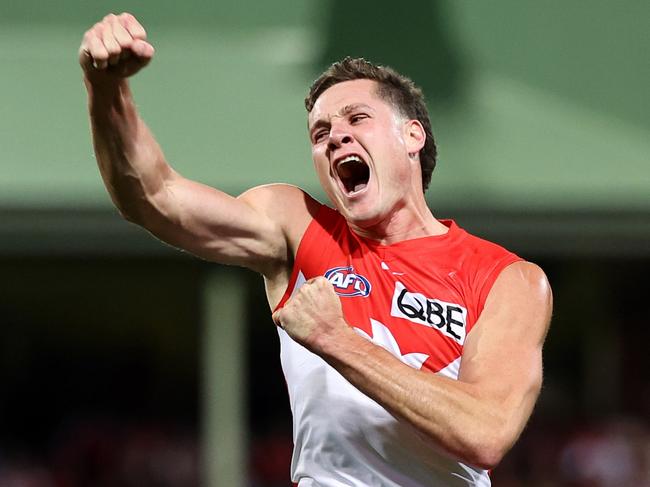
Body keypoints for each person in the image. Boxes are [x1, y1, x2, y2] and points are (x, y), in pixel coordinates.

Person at [79, 13, 552, 487]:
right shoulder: (299, 228)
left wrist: (337, 339)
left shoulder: (506, 278)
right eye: (320, 132)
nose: (336, 137)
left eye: (357, 119)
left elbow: (485, 431)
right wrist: (107, 91)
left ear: (412, 136)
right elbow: (154, 198)